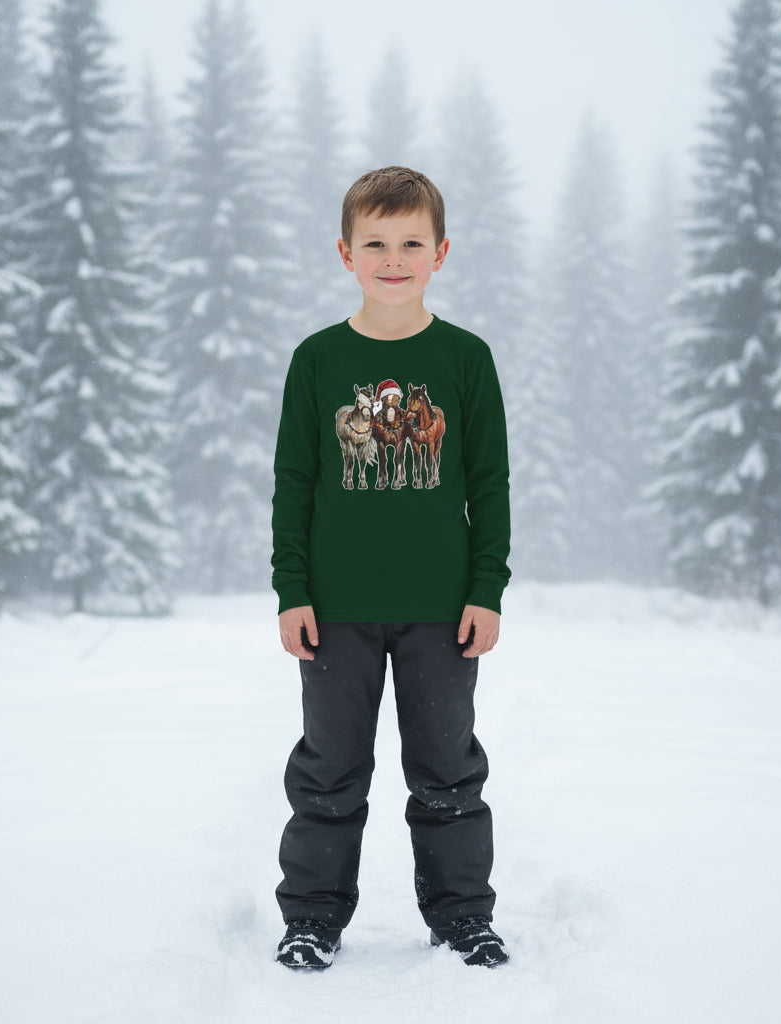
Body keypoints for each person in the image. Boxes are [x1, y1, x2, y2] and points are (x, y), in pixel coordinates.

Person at [270, 166, 511, 970]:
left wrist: (486, 591)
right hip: (334, 609)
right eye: (376, 242)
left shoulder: (466, 359)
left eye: (412, 242)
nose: (394, 257)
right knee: (328, 774)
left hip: (442, 611)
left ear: (441, 253)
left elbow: (488, 484)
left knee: (448, 771)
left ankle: (461, 918)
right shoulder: (317, 360)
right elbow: (295, 483)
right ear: (346, 252)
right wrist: (291, 591)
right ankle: (311, 917)